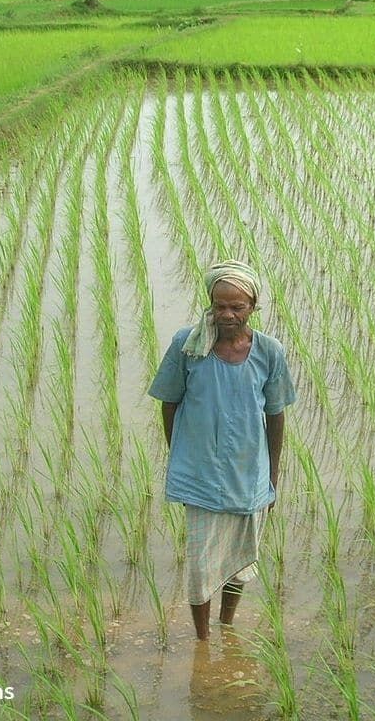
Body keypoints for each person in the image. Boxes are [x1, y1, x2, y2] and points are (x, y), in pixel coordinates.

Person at [148, 259, 297, 640]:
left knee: (239, 562)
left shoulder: (269, 351)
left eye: (237, 307)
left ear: (253, 307)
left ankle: (227, 625)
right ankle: (202, 640)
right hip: (200, 474)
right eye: (220, 306)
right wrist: (178, 456)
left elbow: (275, 415)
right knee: (200, 565)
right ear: (210, 303)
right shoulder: (188, 346)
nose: (227, 314)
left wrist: (272, 478)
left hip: (249, 473)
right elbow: (169, 402)